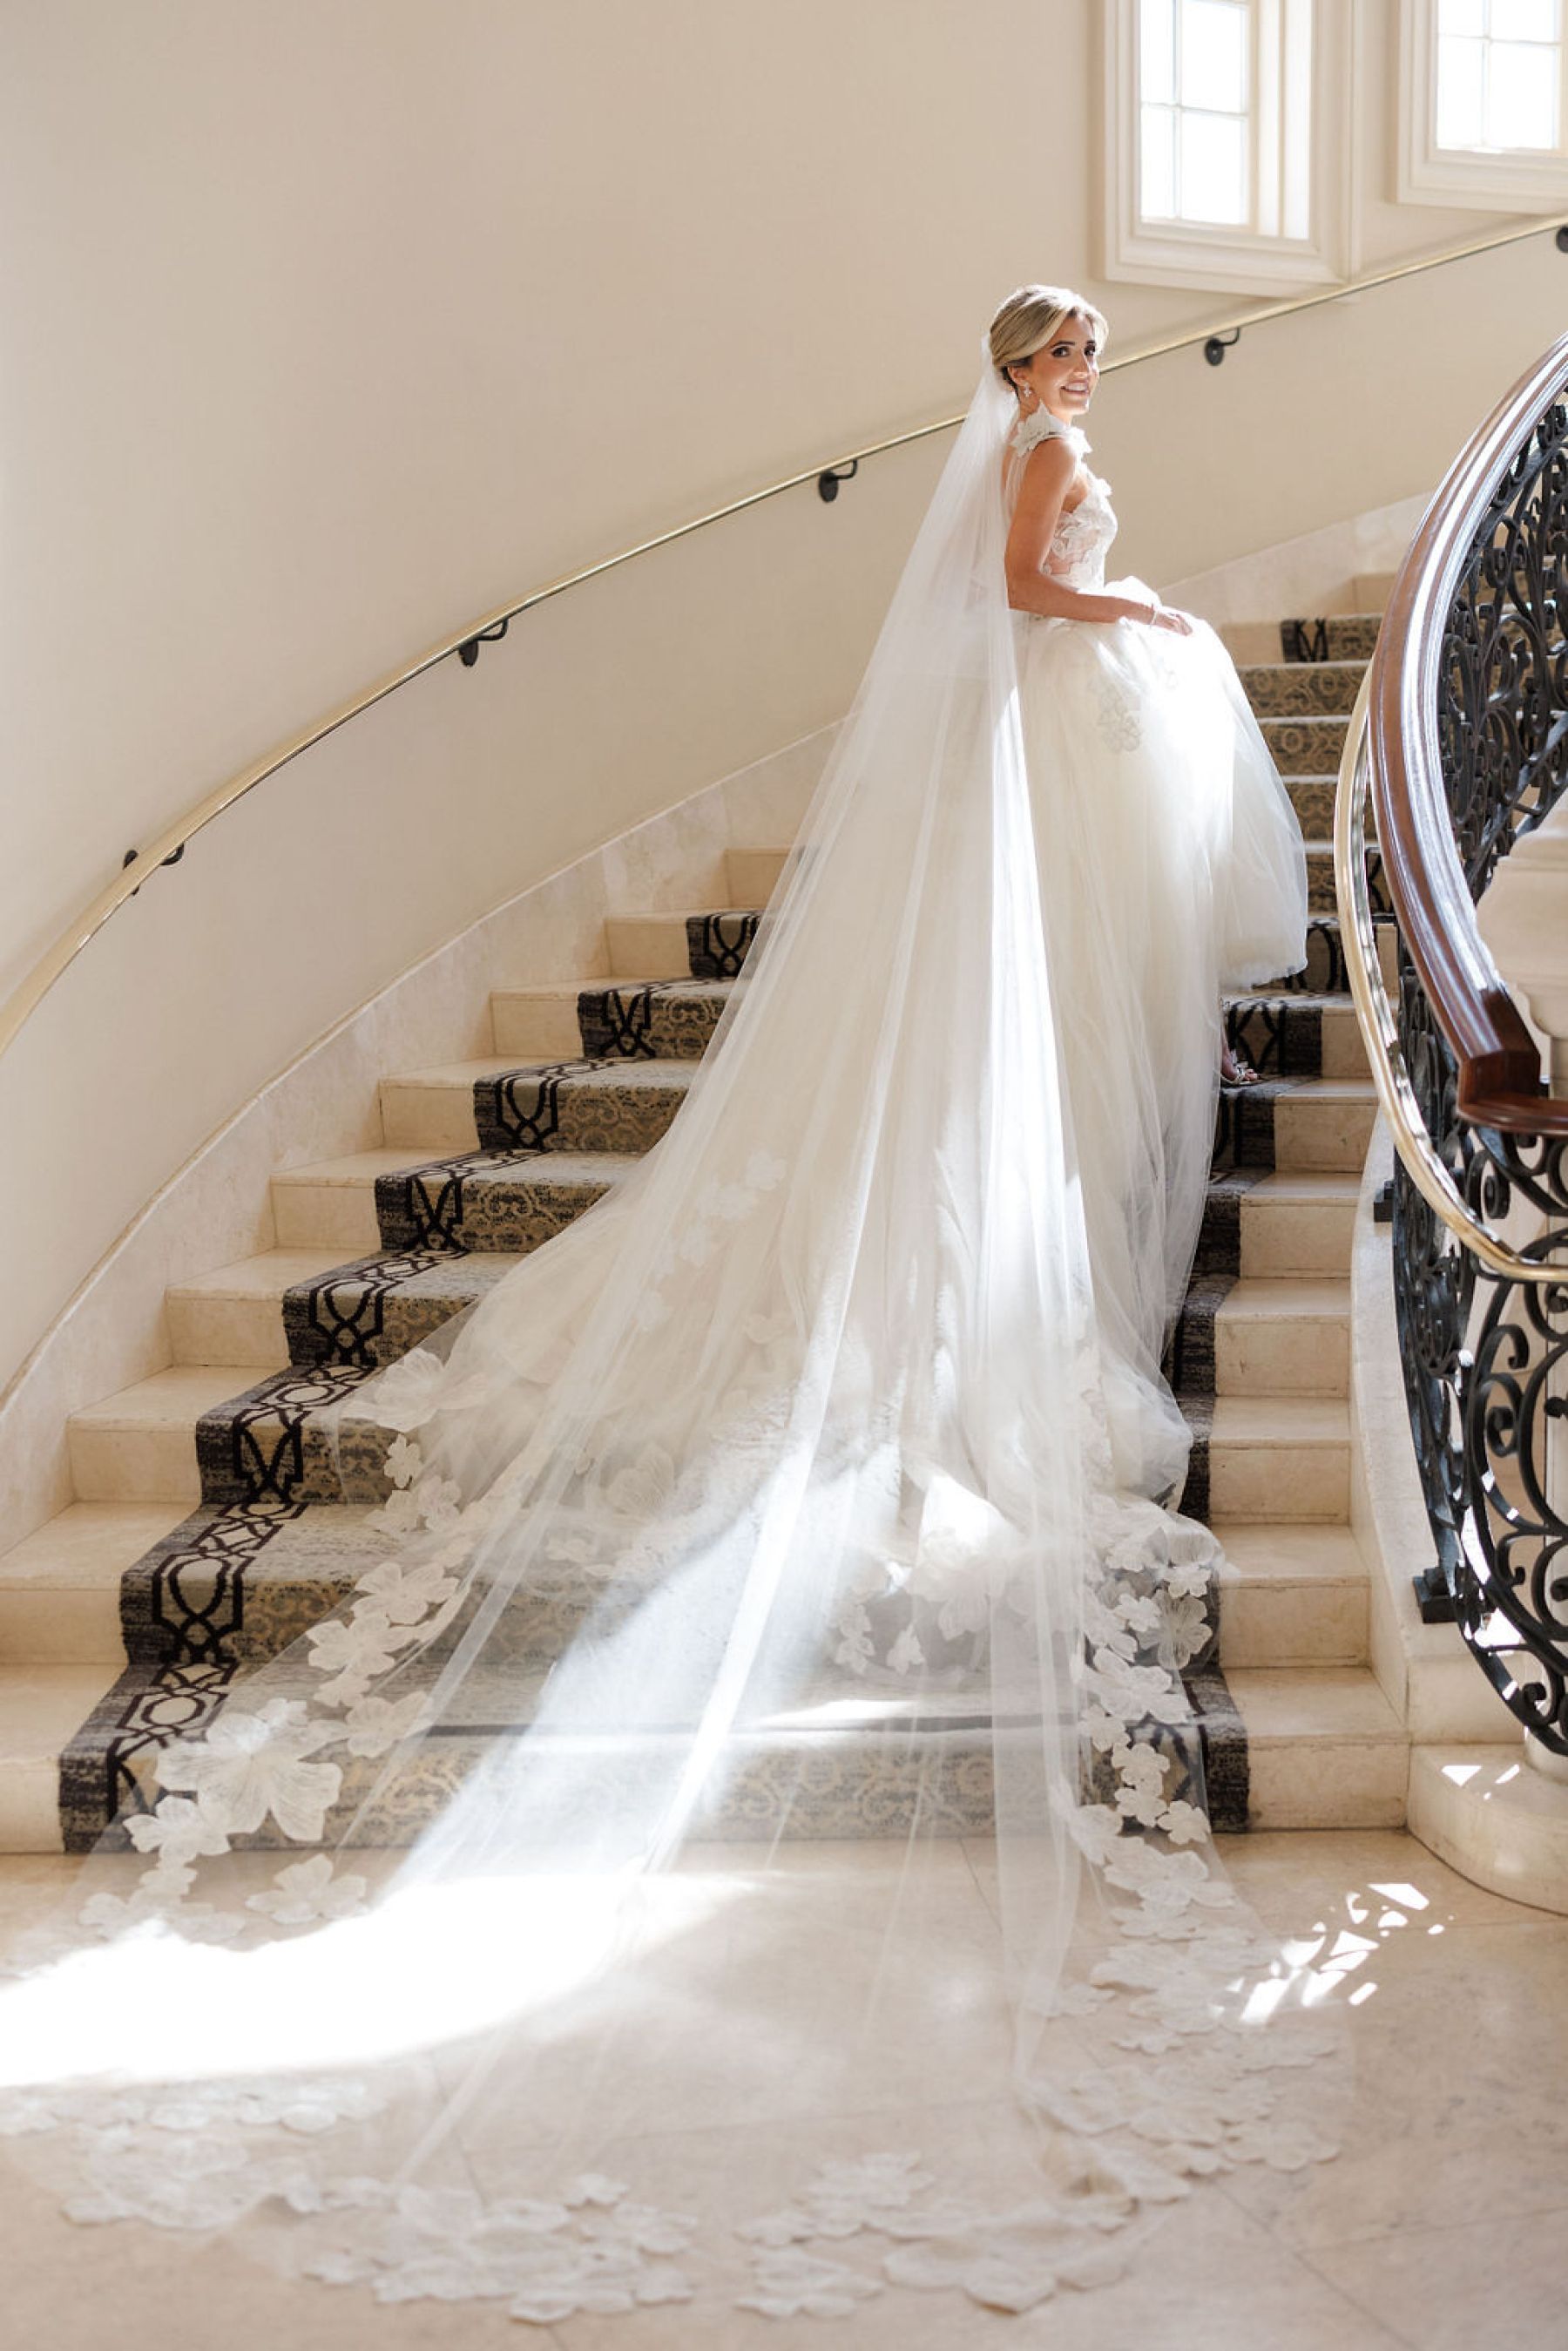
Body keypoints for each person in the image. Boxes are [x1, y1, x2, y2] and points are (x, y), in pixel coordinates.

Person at [0, 286, 1330, 2333]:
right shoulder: (1035, 469)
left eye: (1082, 357)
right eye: (1063, 355)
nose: (1082, 380)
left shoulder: (1037, 446)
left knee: (1046, 1030)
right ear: (1027, 372)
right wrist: (1137, 615)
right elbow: (1016, 589)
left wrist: (1122, 611)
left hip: (1039, 762)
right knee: (1030, 1032)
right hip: (1057, 731)